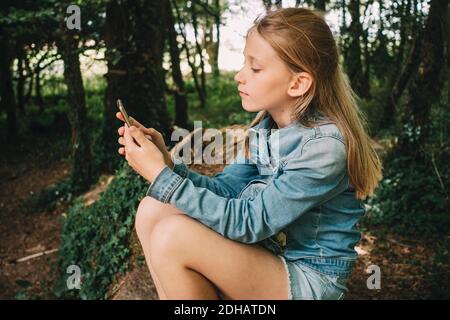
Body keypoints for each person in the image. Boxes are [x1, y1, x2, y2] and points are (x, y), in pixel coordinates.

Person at [116, 7, 382, 300]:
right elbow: (224, 190)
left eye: (255, 68)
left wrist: (161, 176)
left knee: (173, 236)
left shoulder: (323, 148)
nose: (240, 76)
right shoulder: (267, 127)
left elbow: (249, 223)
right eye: (245, 63)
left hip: (310, 278)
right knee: (152, 209)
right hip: (270, 255)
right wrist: (168, 164)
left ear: (298, 84)